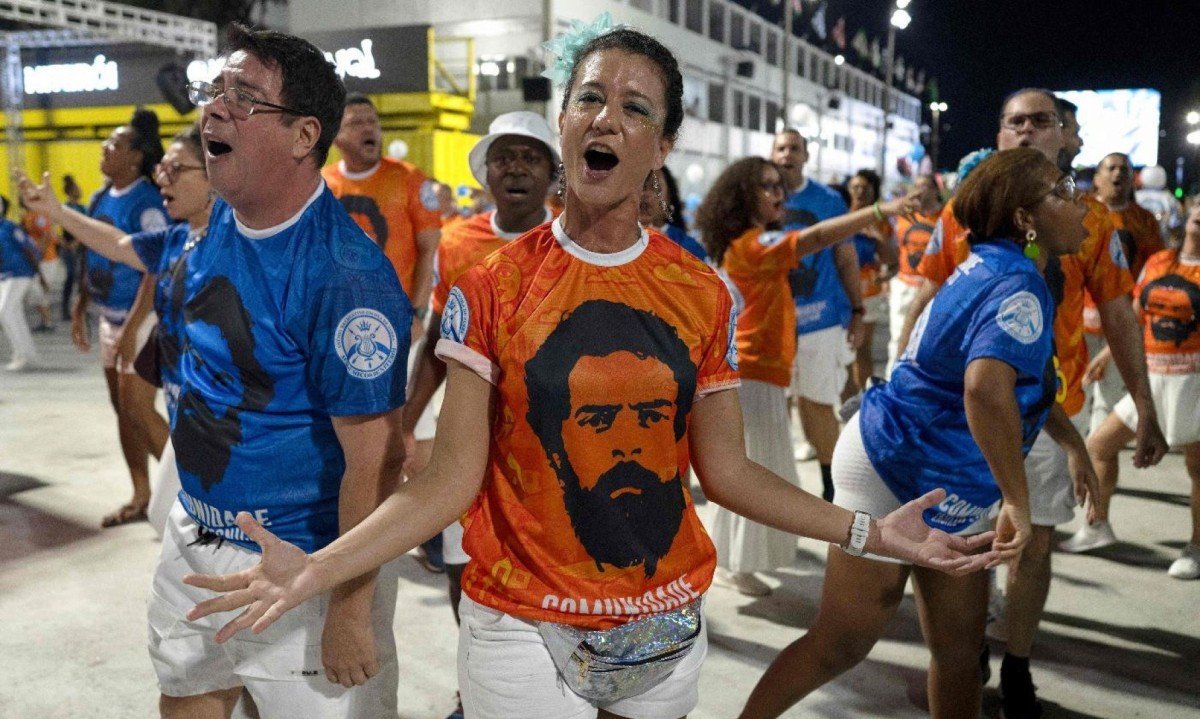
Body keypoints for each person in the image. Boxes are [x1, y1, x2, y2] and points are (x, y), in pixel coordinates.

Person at [182, 24, 996, 719]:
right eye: (590, 99)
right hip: (517, 622)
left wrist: (871, 531)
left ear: (662, 145)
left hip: (661, 620)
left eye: (634, 107)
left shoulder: (702, 290)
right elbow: (451, 478)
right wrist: (327, 570)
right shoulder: (490, 285)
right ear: (567, 121)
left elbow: (729, 471)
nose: (607, 117)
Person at [740, 147, 1093, 719]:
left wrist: (1073, 444)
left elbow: (1021, 384)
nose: (1079, 202)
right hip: (898, 467)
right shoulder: (1017, 286)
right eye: (1063, 190)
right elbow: (984, 388)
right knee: (843, 642)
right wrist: (1018, 503)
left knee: (958, 653)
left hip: (943, 475)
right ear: (1026, 218)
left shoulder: (1002, 267)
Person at [145, 25, 411, 718]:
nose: (215, 109)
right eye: (215, 91)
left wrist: (349, 609)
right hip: (193, 534)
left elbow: (375, 464)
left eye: (245, 97)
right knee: (188, 694)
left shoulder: (346, 278)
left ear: (303, 136)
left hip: (304, 562)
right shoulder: (219, 222)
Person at [897, 88, 1168, 718]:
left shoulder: (1089, 220)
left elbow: (1121, 314)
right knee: (962, 540)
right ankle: (967, 647)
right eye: (1012, 121)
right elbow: (926, 296)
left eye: (1040, 121)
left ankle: (1016, 662)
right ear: (998, 135)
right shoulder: (963, 211)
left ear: (1067, 138)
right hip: (952, 418)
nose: (1025, 131)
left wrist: (1143, 405)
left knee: (1030, 542)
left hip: (1049, 408)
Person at [697, 157, 918, 598]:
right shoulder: (753, 247)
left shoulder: (748, 244)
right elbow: (816, 237)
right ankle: (733, 565)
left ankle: (732, 560)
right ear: (743, 197)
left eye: (779, 186)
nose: (777, 193)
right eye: (765, 186)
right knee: (754, 472)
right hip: (753, 375)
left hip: (759, 374)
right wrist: (880, 212)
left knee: (754, 468)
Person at [405, 108, 561, 719]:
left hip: (547, 440)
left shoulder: (573, 241)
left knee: (542, 559)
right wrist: (406, 423)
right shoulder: (456, 242)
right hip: (467, 432)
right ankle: (474, 685)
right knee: (460, 555)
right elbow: (442, 336)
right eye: (505, 156)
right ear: (486, 171)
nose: (517, 167)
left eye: (531, 157)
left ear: (553, 173)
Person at [19, 126, 214, 540]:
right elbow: (120, 245)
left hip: (220, 427)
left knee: (192, 530)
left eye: (177, 169)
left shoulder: (236, 240)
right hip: (189, 418)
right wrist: (57, 212)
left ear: (217, 175)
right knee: (168, 516)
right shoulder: (179, 238)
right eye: (164, 167)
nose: (164, 177)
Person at [1084, 203, 1200, 578]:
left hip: (1194, 379)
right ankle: (1097, 525)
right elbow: (1135, 313)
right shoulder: (1159, 261)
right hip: (1152, 376)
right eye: (1198, 208)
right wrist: (1106, 353)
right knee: (1099, 444)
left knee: (1197, 468)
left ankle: (1197, 547)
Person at [70, 107, 171, 527]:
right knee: (122, 409)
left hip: (143, 317)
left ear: (134, 157)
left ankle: (191, 491)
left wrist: (132, 327)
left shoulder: (148, 201)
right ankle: (141, 494)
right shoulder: (96, 198)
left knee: (139, 407)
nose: (104, 149)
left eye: (114, 144)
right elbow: (87, 252)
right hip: (108, 316)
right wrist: (80, 308)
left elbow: (157, 264)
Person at [770, 128, 861, 503]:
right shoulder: (759, 200)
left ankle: (834, 490)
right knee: (777, 410)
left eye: (794, 148)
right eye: (781, 148)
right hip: (772, 326)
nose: (787, 154)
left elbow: (845, 257)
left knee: (817, 408)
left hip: (820, 324)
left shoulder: (826, 200)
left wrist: (857, 309)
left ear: (806, 156)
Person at [323, 92, 441, 339]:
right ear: (335, 136)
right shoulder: (320, 185)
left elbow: (429, 249)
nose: (369, 128)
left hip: (396, 317)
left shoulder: (411, 180)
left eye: (373, 121)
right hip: (337, 318)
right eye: (356, 123)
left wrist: (417, 312)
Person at [846, 169, 898, 389]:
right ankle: (847, 397)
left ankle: (862, 398)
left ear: (873, 192)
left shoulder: (881, 221)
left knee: (862, 348)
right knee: (843, 351)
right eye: (855, 187)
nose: (859, 192)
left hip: (868, 293)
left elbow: (892, 259)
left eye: (864, 188)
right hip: (843, 291)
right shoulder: (841, 215)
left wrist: (876, 235)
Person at [887, 174, 941, 374]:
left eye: (925, 186)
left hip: (933, 287)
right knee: (898, 337)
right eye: (915, 186)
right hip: (905, 286)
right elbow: (896, 249)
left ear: (936, 190)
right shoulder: (903, 217)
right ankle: (893, 378)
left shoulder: (945, 217)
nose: (919, 190)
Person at [0, 194, 45, 371]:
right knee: (14, 313)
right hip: (5, 276)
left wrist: (38, 272)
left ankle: (24, 354)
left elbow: (28, 247)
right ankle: (26, 354)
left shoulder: (9, 227)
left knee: (6, 311)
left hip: (20, 273)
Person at [638, 165, 705, 261]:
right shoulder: (614, 242)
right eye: (639, 186)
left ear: (669, 198)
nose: (644, 194)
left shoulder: (689, 249)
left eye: (656, 188)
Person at [58, 175, 86, 321]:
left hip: (80, 246)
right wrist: (64, 243)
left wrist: (78, 241)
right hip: (68, 247)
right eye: (77, 188)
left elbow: (87, 227)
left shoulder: (83, 208)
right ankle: (65, 308)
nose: (79, 190)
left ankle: (81, 308)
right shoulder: (64, 207)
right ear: (70, 191)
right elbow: (54, 228)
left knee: (82, 278)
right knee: (70, 277)